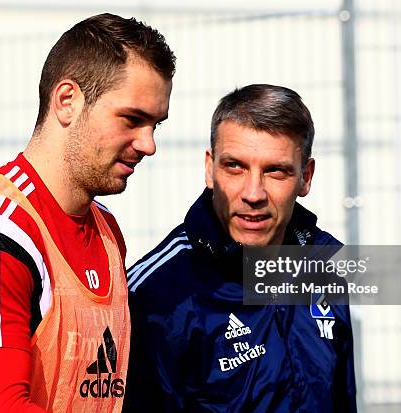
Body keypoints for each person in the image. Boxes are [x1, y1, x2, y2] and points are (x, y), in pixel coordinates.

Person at [0, 13, 175, 412]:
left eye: (156, 124)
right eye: (133, 119)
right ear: (67, 101)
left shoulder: (107, 233)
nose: (148, 144)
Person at [124, 84, 356, 412]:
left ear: (305, 177)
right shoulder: (155, 295)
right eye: (235, 166)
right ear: (210, 169)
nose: (253, 193)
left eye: (276, 170)